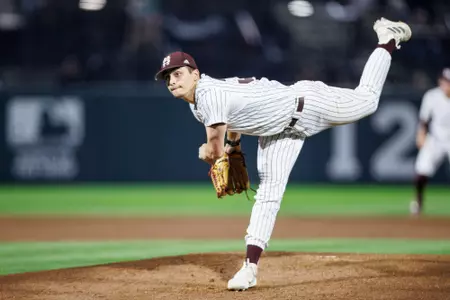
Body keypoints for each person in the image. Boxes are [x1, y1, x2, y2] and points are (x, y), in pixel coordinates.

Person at [154, 17, 411, 291]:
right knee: (268, 195)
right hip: (279, 131)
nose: (172, 81)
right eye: (168, 77)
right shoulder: (198, 102)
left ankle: (388, 38)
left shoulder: (207, 95)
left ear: (196, 73)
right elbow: (233, 121)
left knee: (367, 101)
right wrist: (234, 146)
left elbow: (213, 152)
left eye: (178, 73)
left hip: (306, 104)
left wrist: (207, 151)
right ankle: (250, 268)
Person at [410, 67, 450, 216]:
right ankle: (418, 202)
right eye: (446, 82)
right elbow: (424, 120)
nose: (447, 85)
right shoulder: (432, 96)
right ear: (440, 82)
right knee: (421, 172)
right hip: (436, 139)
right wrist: (421, 135)